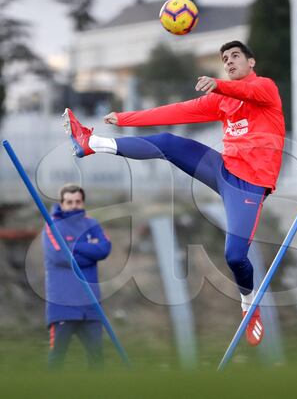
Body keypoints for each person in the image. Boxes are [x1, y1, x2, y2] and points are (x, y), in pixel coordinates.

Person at [63, 40, 285, 346]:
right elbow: (176, 111)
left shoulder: (265, 88)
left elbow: (245, 91)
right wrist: (126, 118)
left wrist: (218, 84)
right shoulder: (222, 100)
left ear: (251, 62)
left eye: (235, 56)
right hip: (222, 169)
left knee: (235, 256)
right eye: (225, 58)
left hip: (249, 186)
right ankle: (92, 143)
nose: (230, 61)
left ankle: (249, 303)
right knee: (168, 143)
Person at [42, 184, 111, 369]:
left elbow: (104, 249)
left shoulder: (92, 224)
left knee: (97, 360)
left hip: (91, 306)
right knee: (57, 358)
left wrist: (75, 246)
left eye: (78, 202)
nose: (74, 206)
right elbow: (59, 257)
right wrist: (90, 250)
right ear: (62, 204)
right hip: (62, 305)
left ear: (83, 203)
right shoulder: (52, 227)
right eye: (69, 202)